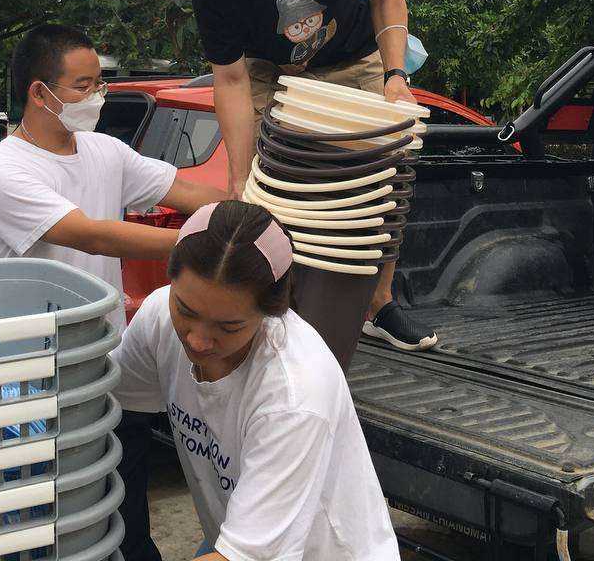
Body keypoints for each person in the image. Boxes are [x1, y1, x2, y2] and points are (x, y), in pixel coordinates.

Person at [186, 0, 436, 351]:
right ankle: (277, 310)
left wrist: (395, 76)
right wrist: (240, 172)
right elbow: (231, 79)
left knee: (385, 176)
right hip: (266, 69)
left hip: (352, 55)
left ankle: (377, 304)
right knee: (265, 189)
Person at [114, 200, 401, 561]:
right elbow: (118, 422)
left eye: (228, 327)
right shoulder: (157, 316)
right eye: (185, 311)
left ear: (271, 313)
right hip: (244, 536)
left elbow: (245, 557)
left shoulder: (294, 395)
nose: (198, 340)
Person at [0, 24, 226, 331]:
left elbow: (183, 190)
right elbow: (92, 236)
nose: (96, 97)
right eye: (83, 87)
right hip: (34, 351)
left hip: (104, 338)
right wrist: (211, 244)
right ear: (40, 93)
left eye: (99, 85)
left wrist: (253, 213)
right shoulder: (4, 171)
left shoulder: (104, 149)